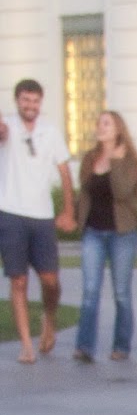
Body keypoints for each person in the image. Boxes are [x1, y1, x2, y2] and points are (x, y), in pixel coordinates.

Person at [0, 79, 76, 364]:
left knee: (50, 280)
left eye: (34, 101)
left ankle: (50, 319)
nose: (30, 106)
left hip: (42, 216)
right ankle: (26, 345)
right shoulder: (8, 127)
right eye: (25, 100)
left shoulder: (50, 132)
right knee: (18, 280)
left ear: (40, 103)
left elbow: (65, 171)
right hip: (10, 212)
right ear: (17, 101)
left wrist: (68, 210)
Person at [72, 111, 137, 363]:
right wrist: (76, 218)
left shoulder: (129, 159)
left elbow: (122, 191)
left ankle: (121, 346)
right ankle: (84, 346)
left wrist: (115, 161)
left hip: (122, 234)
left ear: (118, 129)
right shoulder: (90, 158)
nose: (100, 127)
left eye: (107, 124)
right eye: (99, 123)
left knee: (121, 293)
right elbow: (84, 191)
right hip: (93, 232)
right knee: (90, 291)